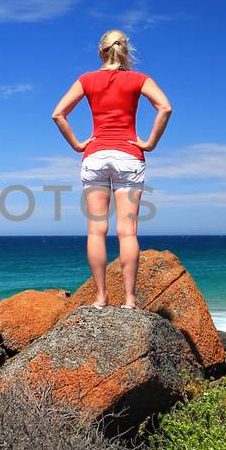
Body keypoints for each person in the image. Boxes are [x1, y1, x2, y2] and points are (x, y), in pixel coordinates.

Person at [51, 29, 172, 308]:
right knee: (127, 232)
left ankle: (101, 297)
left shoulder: (87, 80)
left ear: (100, 52)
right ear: (125, 51)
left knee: (96, 231)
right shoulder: (138, 79)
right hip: (129, 156)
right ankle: (130, 299)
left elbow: (58, 113)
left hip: (95, 157)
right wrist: (150, 142)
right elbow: (165, 107)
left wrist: (78, 145)